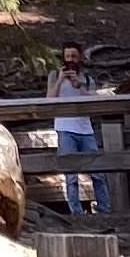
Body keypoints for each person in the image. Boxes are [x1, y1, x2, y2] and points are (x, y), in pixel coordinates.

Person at [48, 44, 104, 215]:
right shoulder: (54, 75)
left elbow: (95, 101)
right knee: (71, 175)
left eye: (74, 56)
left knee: (98, 172)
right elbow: (49, 98)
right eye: (68, 56)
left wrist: (79, 86)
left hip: (86, 130)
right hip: (65, 129)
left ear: (79, 58)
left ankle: (105, 209)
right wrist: (60, 80)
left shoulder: (86, 79)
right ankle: (76, 212)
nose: (70, 60)